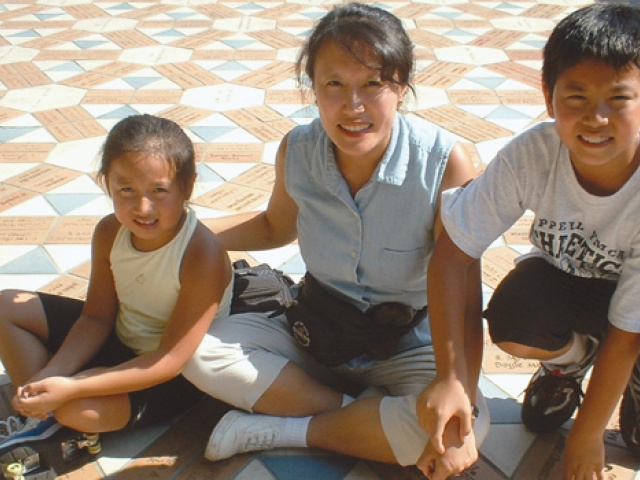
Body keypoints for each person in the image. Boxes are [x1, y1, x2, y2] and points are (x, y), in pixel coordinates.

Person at [182, 3, 489, 478]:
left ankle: (288, 429)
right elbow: (273, 226)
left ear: (402, 88)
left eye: (373, 84)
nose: (353, 107)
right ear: (314, 90)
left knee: (456, 439)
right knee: (198, 353)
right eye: (334, 85)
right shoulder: (298, 149)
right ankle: (360, 414)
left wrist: (456, 385)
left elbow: (466, 292)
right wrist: (184, 230)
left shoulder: (446, 162)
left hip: (408, 342)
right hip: (316, 333)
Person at [424, 3, 640, 479]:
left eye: (618, 98)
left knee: (634, 439)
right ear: (548, 96)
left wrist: (586, 433)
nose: (595, 118)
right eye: (576, 97)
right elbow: (453, 252)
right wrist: (452, 378)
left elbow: (628, 330)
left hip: (635, 318)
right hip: (570, 284)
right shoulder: (534, 153)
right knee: (515, 315)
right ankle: (568, 364)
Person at [0, 114, 233, 450]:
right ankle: (42, 406)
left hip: (171, 375)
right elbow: (95, 318)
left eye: (159, 190)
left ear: (188, 186)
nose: (143, 207)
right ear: (105, 183)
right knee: (6, 307)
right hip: (120, 340)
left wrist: (76, 386)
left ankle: (53, 413)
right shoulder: (109, 232)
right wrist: (54, 373)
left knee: (74, 408)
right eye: (126, 189)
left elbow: (170, 359)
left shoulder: (201, 254)